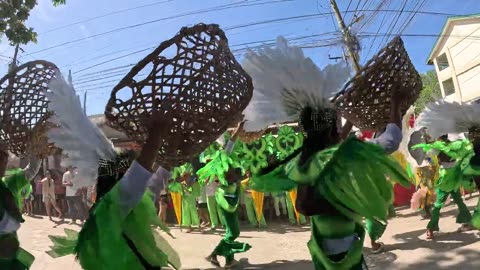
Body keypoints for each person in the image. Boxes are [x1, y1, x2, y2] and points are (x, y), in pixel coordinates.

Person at [241, 37, 410, 270]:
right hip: (346, 255)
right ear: (331, 128)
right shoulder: (344, 156)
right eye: (337, 125)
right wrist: (395, 106)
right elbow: (391, 141)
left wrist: (346, 124)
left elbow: (327, 153)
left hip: (320, 253)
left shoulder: (298, 163)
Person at [45, 76, 181, 269]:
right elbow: (137, 178)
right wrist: (157, 131)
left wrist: (171, 153)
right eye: (127, 170)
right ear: (119, 177)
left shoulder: (118, 206)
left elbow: (151, 183)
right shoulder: (112, 207)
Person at [0, 140, 42, 269]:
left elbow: (31, 170)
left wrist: (38, 152)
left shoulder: (9, 181)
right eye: (2, 157)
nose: (4, 162)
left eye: (5, 156)